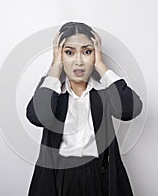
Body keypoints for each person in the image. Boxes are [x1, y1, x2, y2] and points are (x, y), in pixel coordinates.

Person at [26, 21, 143, 196]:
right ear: (59, 55)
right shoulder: (52, 94)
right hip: (59, 178)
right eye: (69, 52)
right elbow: (37, 117)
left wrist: (102, 66)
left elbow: (130, 109)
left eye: (87, 52)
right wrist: (55, 70)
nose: (79, 61)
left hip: (98, 177)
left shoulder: (104, 94)